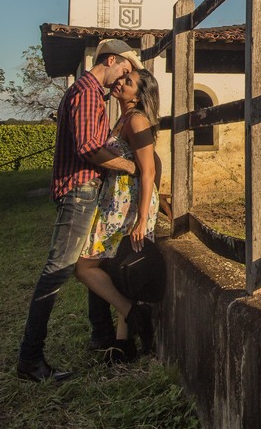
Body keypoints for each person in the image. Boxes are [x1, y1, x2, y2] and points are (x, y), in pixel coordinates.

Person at [16, 38, 144, 383]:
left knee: (88, 260)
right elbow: (89, 148)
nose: (122, 79)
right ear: (113, 59)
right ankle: (30, 359)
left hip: (83, 189)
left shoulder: (86, 92)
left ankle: (101, 335)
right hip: (80, 189)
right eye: (124, 71)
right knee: (58, 269)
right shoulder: (87, 92)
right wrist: (130, 168)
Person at [74, 66, 162, 362]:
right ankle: (123, 343)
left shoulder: (136, 120)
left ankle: (131, 313)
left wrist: (141, 217)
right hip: (117, 199)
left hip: (128, 203)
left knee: (83, 266)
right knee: (119, 268)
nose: (121, 83)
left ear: (139, 95)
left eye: (129, 82)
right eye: (124, 78)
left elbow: (148, 170)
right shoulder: (124, 117)